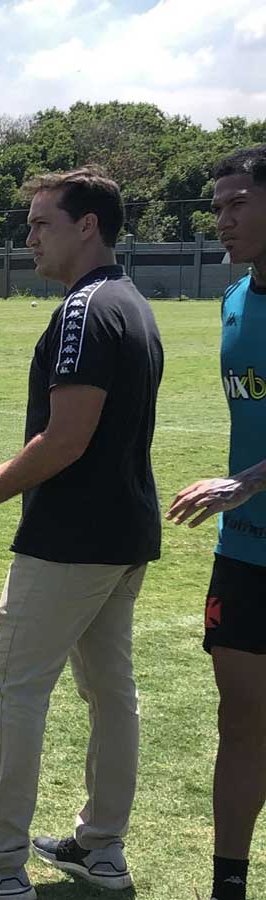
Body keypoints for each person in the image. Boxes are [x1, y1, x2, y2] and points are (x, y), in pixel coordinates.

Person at [0, 166, 163, 899]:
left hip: (70, 541)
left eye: (41, 223)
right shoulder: (133, 303)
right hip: (122, 536)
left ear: (87, 225)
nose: (29, 239)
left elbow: (69, 439)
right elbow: (88, 433)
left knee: (15, 689)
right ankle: (100, 848)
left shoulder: (86, 311)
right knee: (112, 692)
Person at [166, 145, 266, 900]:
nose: (222, 218)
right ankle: (227, 884)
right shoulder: (232, 302)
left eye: (237, 203)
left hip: (244, 503)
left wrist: (246, 482)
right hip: (245, 549)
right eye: (218, 205)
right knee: (240, 720)